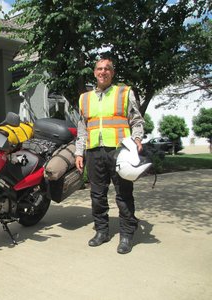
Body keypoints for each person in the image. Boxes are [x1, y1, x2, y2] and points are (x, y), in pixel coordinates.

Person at [75, 57, 144, 254]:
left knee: (123, 194)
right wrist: (79, 152)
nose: (103, 72)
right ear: (94, 73)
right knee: (97, 195)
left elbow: (137, 120)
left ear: (112, 73)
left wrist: (137, 139)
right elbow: (82, 128)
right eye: (99, 69)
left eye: (107, 69)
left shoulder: (124, 92)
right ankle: (102, 232)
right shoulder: (85, 98)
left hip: (120, 150)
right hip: (95, 151)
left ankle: (126, 235)